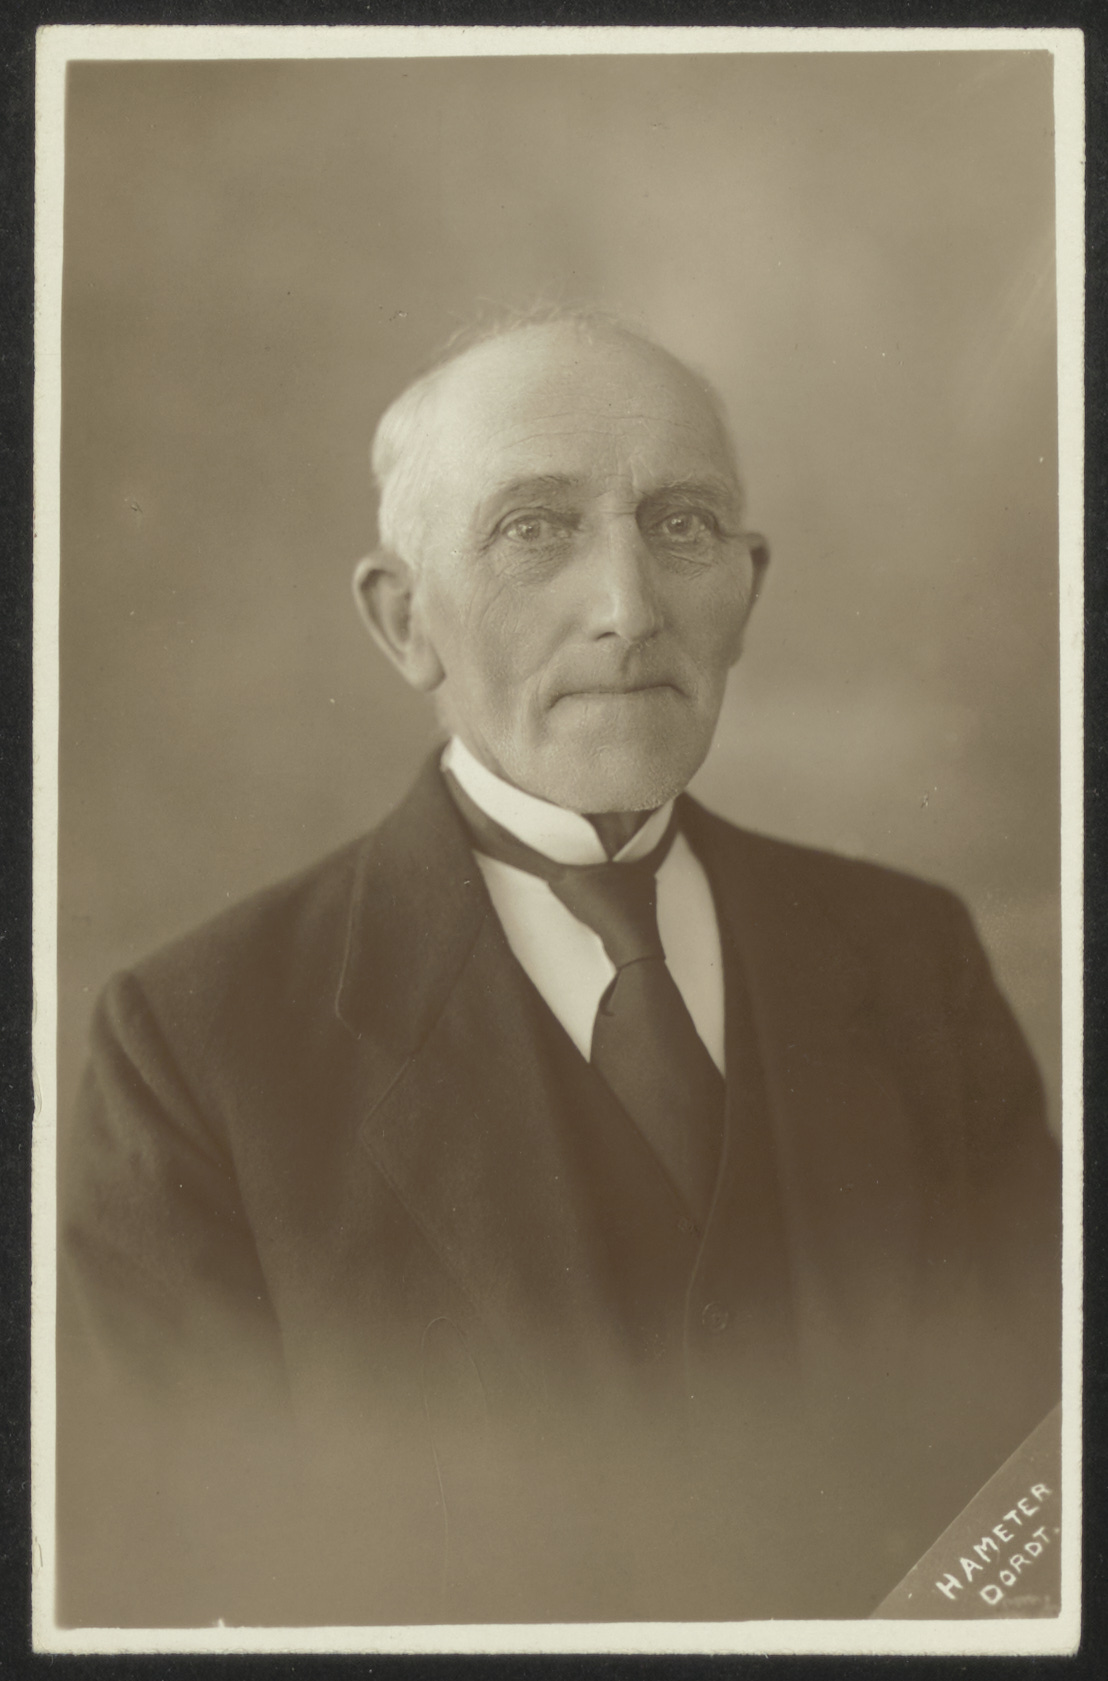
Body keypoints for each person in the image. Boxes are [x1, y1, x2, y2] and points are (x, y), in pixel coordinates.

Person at [58, 310, 1061, 1629]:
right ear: (403, 620)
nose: (629, 609)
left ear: (748, 591)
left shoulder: (912, 959)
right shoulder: (197, 1049)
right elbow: (191, 1595)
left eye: (683, 525)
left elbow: (1050, 1484)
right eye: (535, 529)